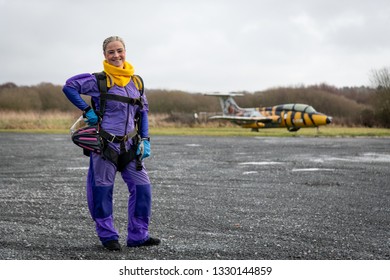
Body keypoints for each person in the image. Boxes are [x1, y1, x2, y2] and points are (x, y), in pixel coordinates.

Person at [62, 36, 160, 251]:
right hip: (105, 146)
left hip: (130, 146)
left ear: (125, 51)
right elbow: (69, 86)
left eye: (119, 51)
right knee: (102, 191)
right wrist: (87, 110)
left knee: (143, 189)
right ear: (105, 55)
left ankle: (138, 236)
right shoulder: (98, 81)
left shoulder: (136, 82)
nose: (116, 55)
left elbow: (142, 113)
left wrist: (145, 139)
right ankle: (108, 236)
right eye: (111, 52)